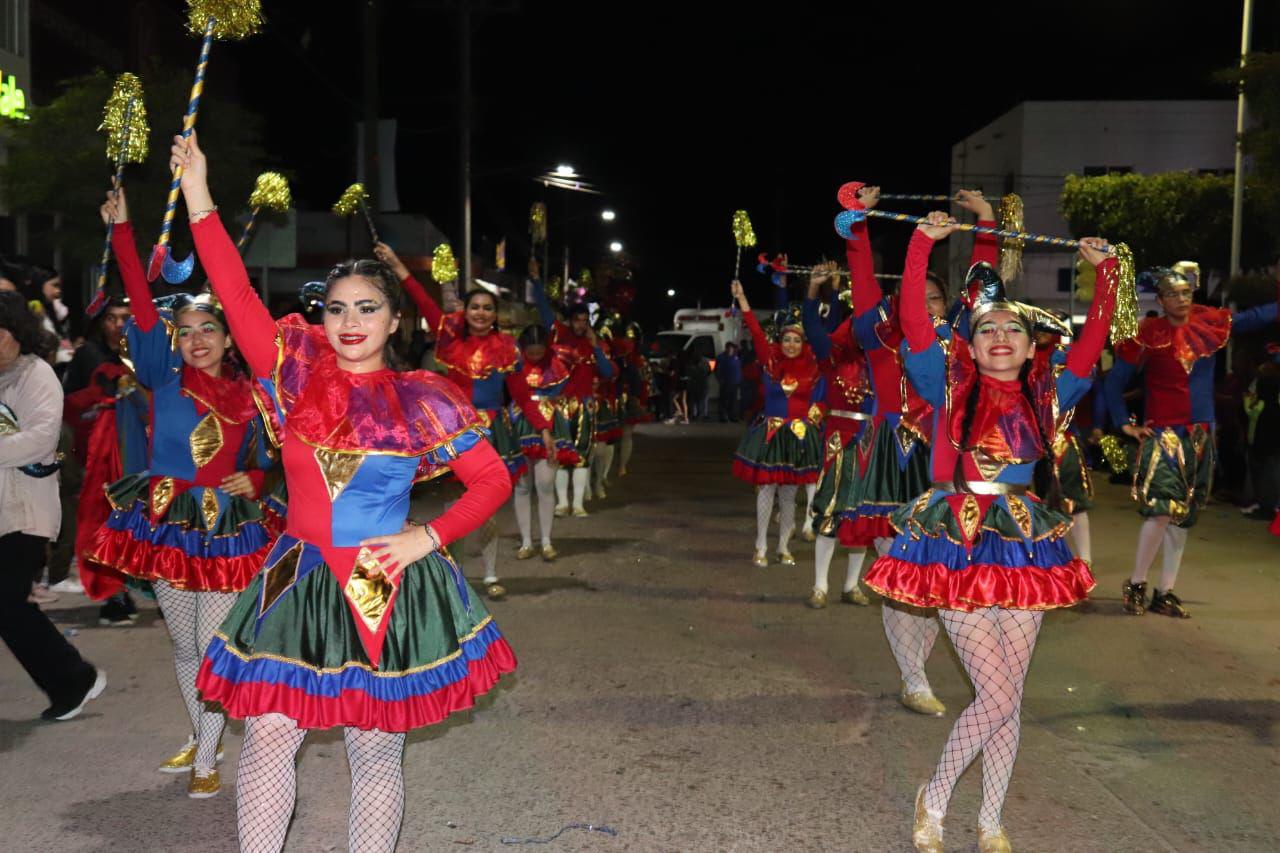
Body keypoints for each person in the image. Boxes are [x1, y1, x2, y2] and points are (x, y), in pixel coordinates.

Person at [172, 132, 515, 852]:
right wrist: (198, 192)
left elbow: (492, 478)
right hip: (295, 575)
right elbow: (234, 291)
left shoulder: (426, 398)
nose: (349, 323)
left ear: (395, 319)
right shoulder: (290, 370)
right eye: (335, 309)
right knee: (268, 735)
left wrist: (427, 536)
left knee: (374, 747)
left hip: (375, 579)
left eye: (366, 308)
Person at [862, 211, 1115, 852]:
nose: (1000, 335)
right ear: (969, 346)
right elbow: (914, 321)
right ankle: (935, 797)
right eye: (987, 328)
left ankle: (991, 818)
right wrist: (920, 246)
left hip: (1025, 544)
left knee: (1010, 695)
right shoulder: (943, 385)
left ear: (1031, 347)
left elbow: (1093, 342)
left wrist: (1106, 275)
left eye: (1013, 328)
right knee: (996, 694)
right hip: (956, 542)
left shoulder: (1049, 394)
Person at [86, 186, 281, 798]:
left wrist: (258, 479)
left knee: (210, 642)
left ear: (229, 337)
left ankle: (207, 759)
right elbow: (142, 306)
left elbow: (276, 456)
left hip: (224, 526)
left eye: (208, 329)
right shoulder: (164, 378)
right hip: (167, 518)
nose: (196, 339)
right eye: (186, 330)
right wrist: (123, 230)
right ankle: (204, 735)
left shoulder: (253, 396)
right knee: (182, 641)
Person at [833, 185, 1000, 717]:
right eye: (917, 296)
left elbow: (985, 284)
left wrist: (986, 220)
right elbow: (861, 270)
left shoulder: (959, 336)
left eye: (936, 299)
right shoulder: (878, 332)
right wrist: (858, 220)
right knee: (904, 573)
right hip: (891, 461)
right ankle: (914, 678)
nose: (927, 306)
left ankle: (919, 669)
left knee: (938, 575)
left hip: (948, 462)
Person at [1104, 261, 1279, 617]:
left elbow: (1257, 317)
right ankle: (1137, 583)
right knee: (1160, 512)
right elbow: (1113, 382)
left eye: (1186, 292)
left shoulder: (1208, 323)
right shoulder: (1147, 333)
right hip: (1164, 435)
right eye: (1173, 294)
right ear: (1160, 300)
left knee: (1184, 516)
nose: (1182, 299)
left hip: (1200, 435)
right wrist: (1124, 424)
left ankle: (1164, 591)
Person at [373, 241, 524, 600]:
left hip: (491, 434)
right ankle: (452, 575)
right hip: (451, 434)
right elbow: (423, 300)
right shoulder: (450, 339)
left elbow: (520, 391)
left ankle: (490, 574)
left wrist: (544, 429)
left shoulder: (506, 347)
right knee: (450, 510)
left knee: (486, 510)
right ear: (466, 311)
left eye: (487, 308)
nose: (481, 313)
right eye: (475, 307)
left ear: (495, 314)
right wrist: (396, 263)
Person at [0, 290, 108, 720]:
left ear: (16, 332)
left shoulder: (35, 373)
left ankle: (74, 679)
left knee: (8, 603)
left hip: (25, 510)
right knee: (9, 605)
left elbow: (41, 440)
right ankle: (71, 679)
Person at [729, 282, 825, 567]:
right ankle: (760, 546)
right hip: (770, 435)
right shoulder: (769, 360)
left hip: (798, 436)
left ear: (803, 343)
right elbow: (755, 330)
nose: (791, 345)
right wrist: (742, 298)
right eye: (787, 340)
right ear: (780, 341)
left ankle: (783, 547)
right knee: (766, 491)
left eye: (797, 340)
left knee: (789, 495)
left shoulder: (814, 367)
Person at [802, 262, 874, 608]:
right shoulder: (832, 356)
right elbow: (812, 327)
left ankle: (850, 586)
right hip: (839, 440)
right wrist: (814, 290)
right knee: (830, 511)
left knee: (861, 517)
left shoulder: (882, 361)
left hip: (871, 444)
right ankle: (820, 586)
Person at [530, 267, 616, 517]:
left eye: (584, 320)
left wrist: (595, 346)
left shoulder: (594, 345)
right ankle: (562, 503)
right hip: (559, 405)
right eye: (577, 320)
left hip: (585, 406)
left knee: (582, 455)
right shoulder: (558, 335)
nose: (580, 324)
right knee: (558, 454)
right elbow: (544, 309)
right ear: (569, 321)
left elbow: (608, 372)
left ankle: (577, 504)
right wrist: (536, 280)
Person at [508, 324, 577, 561]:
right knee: (522, 486)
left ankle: (546, 541)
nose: (536, 357)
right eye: (531, 353)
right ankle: (526, 542)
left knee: (546, 484)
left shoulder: (558, 365)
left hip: (551, 423)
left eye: (540, 352)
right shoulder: (513, 364)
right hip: (519, 422)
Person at [614, 321, 653, 475]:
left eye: (631, 340)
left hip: (630, 398)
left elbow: (645, 383)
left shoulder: (639, 360)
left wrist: (638, 400)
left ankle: (622, 465)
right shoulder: (615, 355)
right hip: (614, 396)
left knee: (625, 434)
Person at [716, 341, 742, 422]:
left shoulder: (736, 357)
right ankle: (723, 416)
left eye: (733, 348)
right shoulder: (721, 357)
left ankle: (732, 416)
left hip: (735, 383)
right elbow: (717, 370)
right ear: (727, 348)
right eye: (731, 348)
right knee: (724, 400)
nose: (732, 349)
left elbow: (739, 369)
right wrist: (720, 379)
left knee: (733, 400)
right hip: (726, 382)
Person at [685, 347, 711, 421]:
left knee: (697, 400)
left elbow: (709, 370)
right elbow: (709, 371)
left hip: (698, 382)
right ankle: (701, 414)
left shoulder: (691, 362)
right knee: (700, 399)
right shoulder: (705, 361)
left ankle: (698, 414)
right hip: (700, 382)